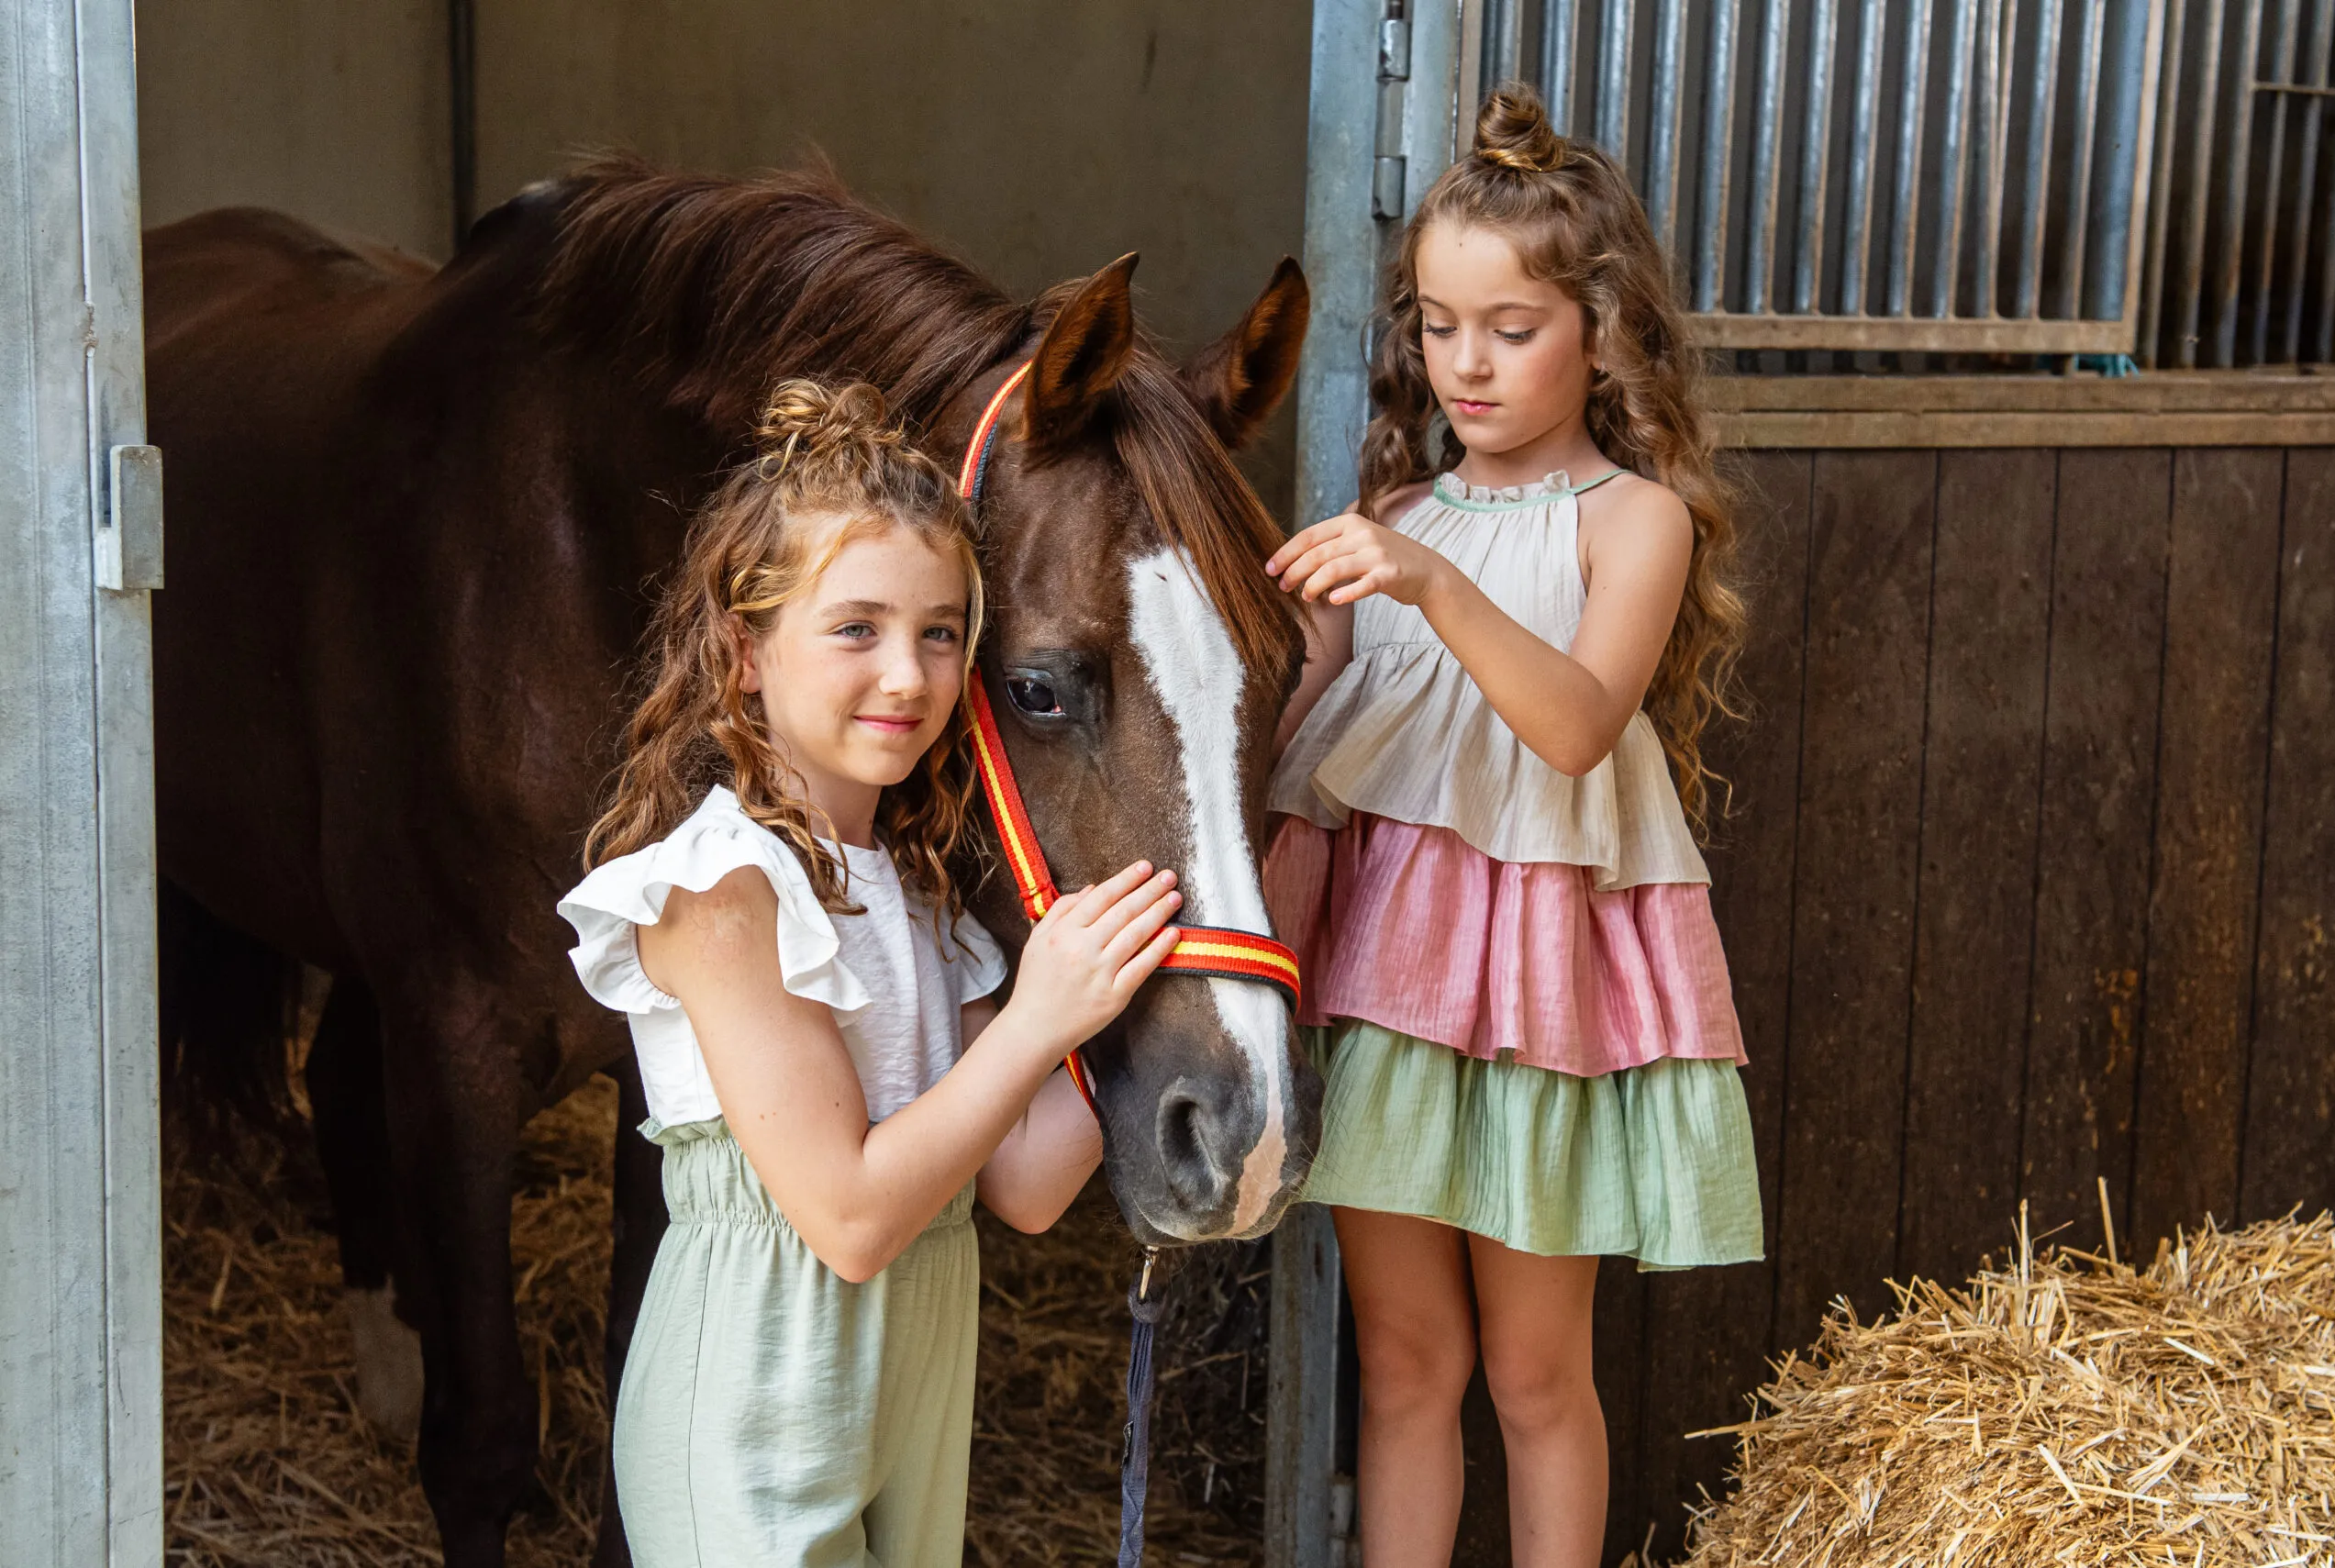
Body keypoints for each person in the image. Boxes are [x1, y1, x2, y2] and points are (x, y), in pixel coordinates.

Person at [1262, 87, 1764, 1568]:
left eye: (1511, 326)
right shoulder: (1395, 514)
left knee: (1538, 1375)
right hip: (1389, 986)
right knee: (1407, 1364)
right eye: (1437, 325)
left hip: (1544, 996)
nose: (1465, 362)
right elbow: (1298, 743)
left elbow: (1575, 724)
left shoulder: (1632, 520)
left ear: (1602, 335)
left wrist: (1429, 585)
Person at [557, 380, 1181, 1567]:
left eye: (941, 633)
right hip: (756, 1406)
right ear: (743, 651)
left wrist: (1133, 983)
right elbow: (847, 1219)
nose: (908, 675)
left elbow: (1026, 1185)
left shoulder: (924, 895)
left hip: (909, 1394)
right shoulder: (722, 892)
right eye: (856, 629)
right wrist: (1039, 1017)